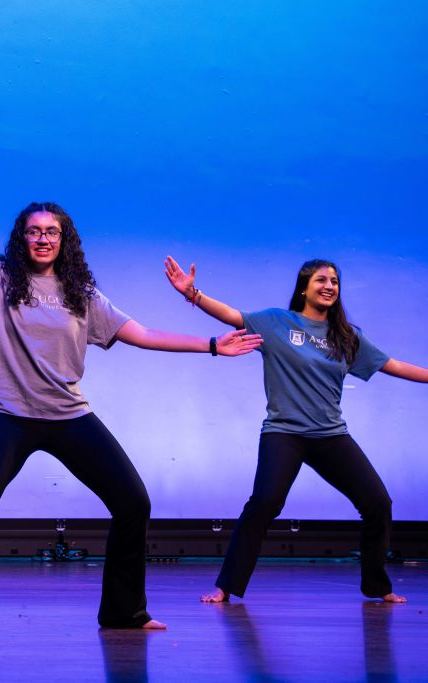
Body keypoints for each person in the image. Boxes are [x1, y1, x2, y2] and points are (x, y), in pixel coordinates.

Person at [0, 149, 262, 630]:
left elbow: (142, 334)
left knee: (133, 500)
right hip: (9, 414)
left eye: (52, 232)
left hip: (68, 415)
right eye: (34, 231)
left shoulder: (83, 295)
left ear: (65, 241)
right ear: (22, 239)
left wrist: (211, 344)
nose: (43, 238)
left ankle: (125, 611)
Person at [164, 256, 428, 604]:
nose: (329, 286)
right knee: (265, 502)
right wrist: (192, 293)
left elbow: (392, 365)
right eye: (321, 280)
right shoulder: (277, 322)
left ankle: (378, 586)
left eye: (334, 281)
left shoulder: (347, 337)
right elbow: (232, 315)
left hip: (330, 435)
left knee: (378, 502)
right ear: (304, 287)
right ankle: (226, 587)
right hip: (284, 433)